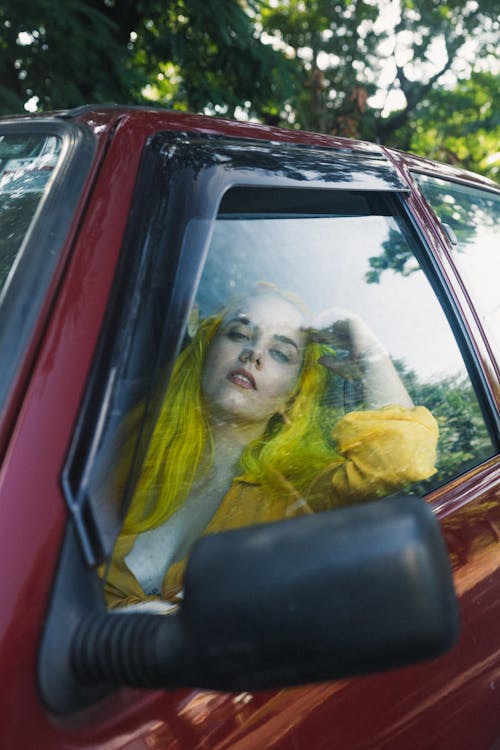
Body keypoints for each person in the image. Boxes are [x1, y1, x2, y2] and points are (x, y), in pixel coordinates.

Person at [103, 286, 438, 611]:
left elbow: (403, 460)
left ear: (294, 396)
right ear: (206, 349)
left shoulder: (298, 494)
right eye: (238, 333)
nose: (253, 354)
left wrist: (372, 355)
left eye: (280, 353)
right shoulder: (125, 431)